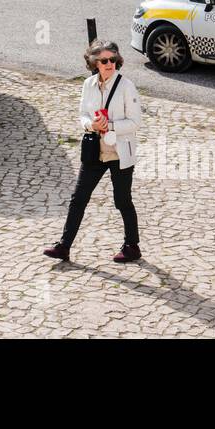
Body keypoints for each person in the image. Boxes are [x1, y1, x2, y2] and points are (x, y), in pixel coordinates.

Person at [43, 41, 143, 264]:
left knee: (122, 200)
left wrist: (111, 126)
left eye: (113, 60)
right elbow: (83, 115)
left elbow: (136, 122)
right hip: (94, 151)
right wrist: (92, 125)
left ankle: (132, 246)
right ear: (94, 63)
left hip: (119, 152)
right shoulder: (88, 84)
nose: (110, 64)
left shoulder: (126, 86)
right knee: (78, 199)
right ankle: (64, 246)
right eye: (104, 60)